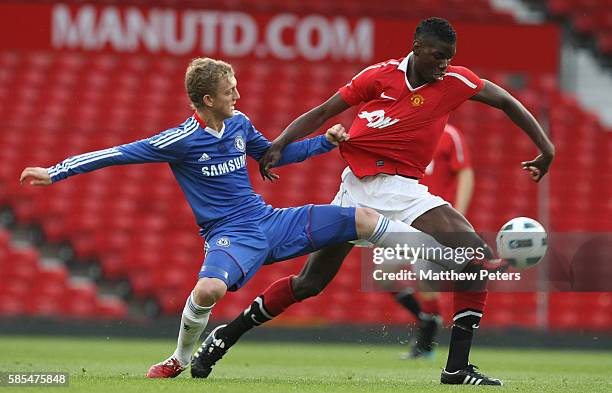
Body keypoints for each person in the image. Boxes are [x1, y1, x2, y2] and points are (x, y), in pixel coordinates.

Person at [191, 18, 554, 386]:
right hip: (355, 191)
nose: (444, 65)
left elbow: (507, 100)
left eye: (449, 58)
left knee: (473, 255)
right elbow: (323, 112)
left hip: (404, 191)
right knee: (309, 283)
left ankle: (456, 368)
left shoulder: (454, 81)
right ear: (416, 47)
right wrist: (280, 143)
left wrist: (546, 147)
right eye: (437, 56)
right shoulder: (379, 76)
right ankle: (224, 336)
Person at [19, 58, 436, 379]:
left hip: (268, 221)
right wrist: (56, 171)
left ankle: (442, 253)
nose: (238, 96)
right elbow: (118, 153)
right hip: (230, 235)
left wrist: (324, 143)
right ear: (207, 100)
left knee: (361, 218)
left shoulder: (239, 124)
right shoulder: (180, 140)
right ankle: (179, 358)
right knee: (208, 290)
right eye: (230, 91)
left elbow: (275, 155)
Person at [396, 123, 475, 360]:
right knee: (385, 273)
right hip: (403, 217)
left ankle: (426, 338)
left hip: (434, 220)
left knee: (426, 282)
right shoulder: (404, 131)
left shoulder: (449, 134)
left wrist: (457, 216)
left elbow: (465, 172)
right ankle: (427, 322)